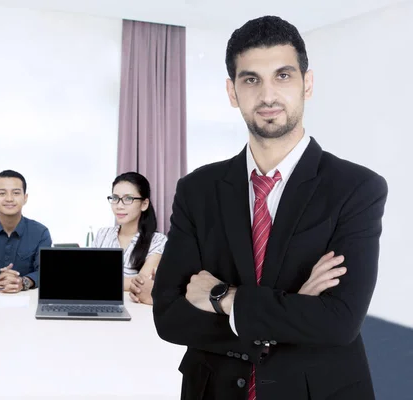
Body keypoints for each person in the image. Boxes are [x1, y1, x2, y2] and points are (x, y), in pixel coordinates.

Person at [152, 16, 388, 400]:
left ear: (306, 83)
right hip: (215, 390)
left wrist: (223, 298)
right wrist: (293, 310)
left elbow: (339, 322)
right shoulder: (197, 190)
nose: (267, 96)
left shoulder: (356, 188)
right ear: (232, 91)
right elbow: (169, 316)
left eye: (283, 76)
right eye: (251, 79)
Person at [0, 170, 52, 292]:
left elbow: (45, 271)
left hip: (29, 299)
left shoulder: (41, 233)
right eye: (2, 193)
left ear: (25, 198)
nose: (9, 199)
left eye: (16, 193)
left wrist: (23, 282)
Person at [93, 172, 167, 305]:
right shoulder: (102, 235)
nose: (119, 205)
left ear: (144, 204)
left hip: (137, 310)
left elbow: (142, 285)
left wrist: (101, 281)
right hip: (101, 304)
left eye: (128, 199)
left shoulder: (158, 241)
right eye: (115, 198)